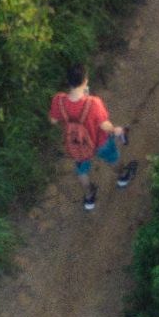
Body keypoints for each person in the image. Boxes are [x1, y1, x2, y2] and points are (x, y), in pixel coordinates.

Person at [51, 68, 133, 211]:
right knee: (113, 158)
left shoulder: (58, 100)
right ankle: (123, 177)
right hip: (100, 141)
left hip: (77, 144)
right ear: (85, 81)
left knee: (82, 170)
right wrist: (116, 130)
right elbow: (104, 125)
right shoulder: (93, 102)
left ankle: (89, 198)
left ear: (68, 82)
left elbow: (53, 120)